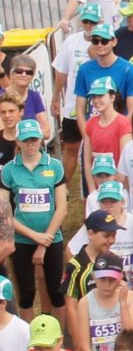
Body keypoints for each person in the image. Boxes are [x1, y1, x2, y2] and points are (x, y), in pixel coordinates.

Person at [1, 120, 68, 324]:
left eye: (33, 139)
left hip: (52, 238)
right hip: (22, 240)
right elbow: (4, 213)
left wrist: (44, 240)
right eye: (25, 140)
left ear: (40, 140)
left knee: (56, 292)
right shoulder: (9, 170)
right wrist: (34, 237)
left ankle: (59, 339)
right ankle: (28, 339)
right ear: (18, 142)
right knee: (27, 293)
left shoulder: (54, 166)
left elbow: (62, 208)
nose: (30, 144)